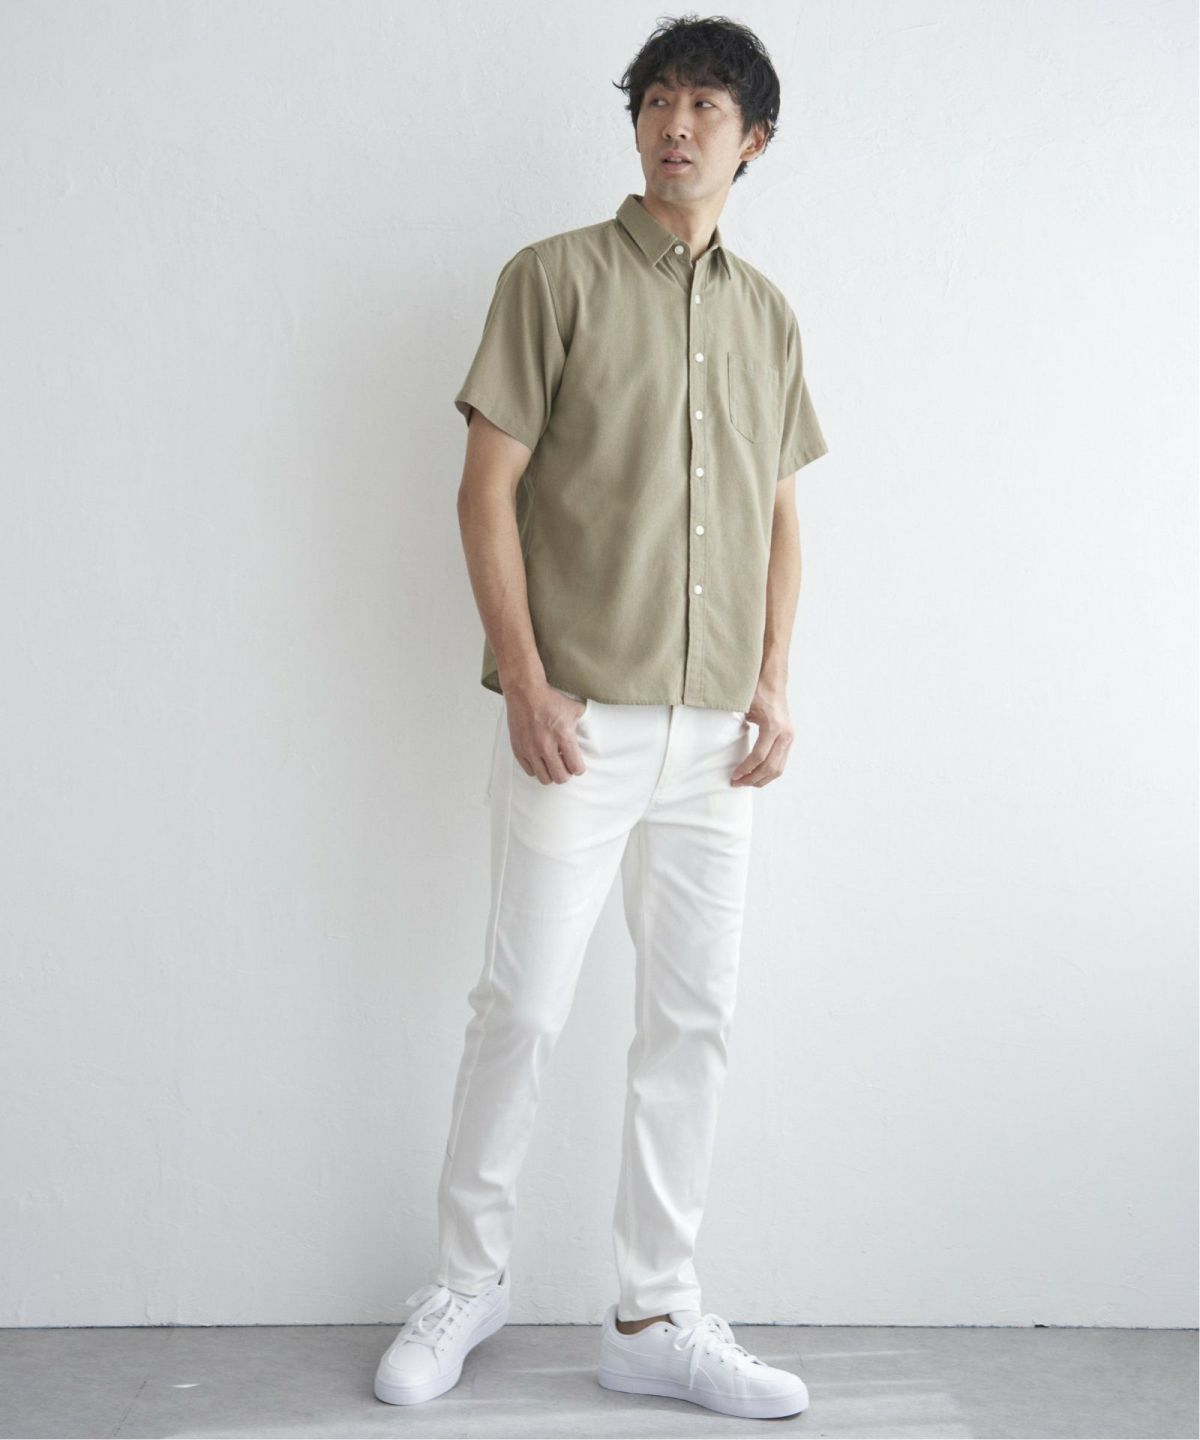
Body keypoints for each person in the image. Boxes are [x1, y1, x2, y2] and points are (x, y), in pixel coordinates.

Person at [375, 13, 828, 1422]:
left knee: (693, 1020)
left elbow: (780, 519)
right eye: (657, 100)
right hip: (577, 724)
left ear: (754, 141)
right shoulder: (552, 279)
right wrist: (523, 676)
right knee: (521, 1006)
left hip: (720, 741)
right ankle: (467, 1284)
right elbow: (485, 492)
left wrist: (773, 681)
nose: (676, 125)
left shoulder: (769, 317)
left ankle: (656, 1311)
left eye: (708, 107)